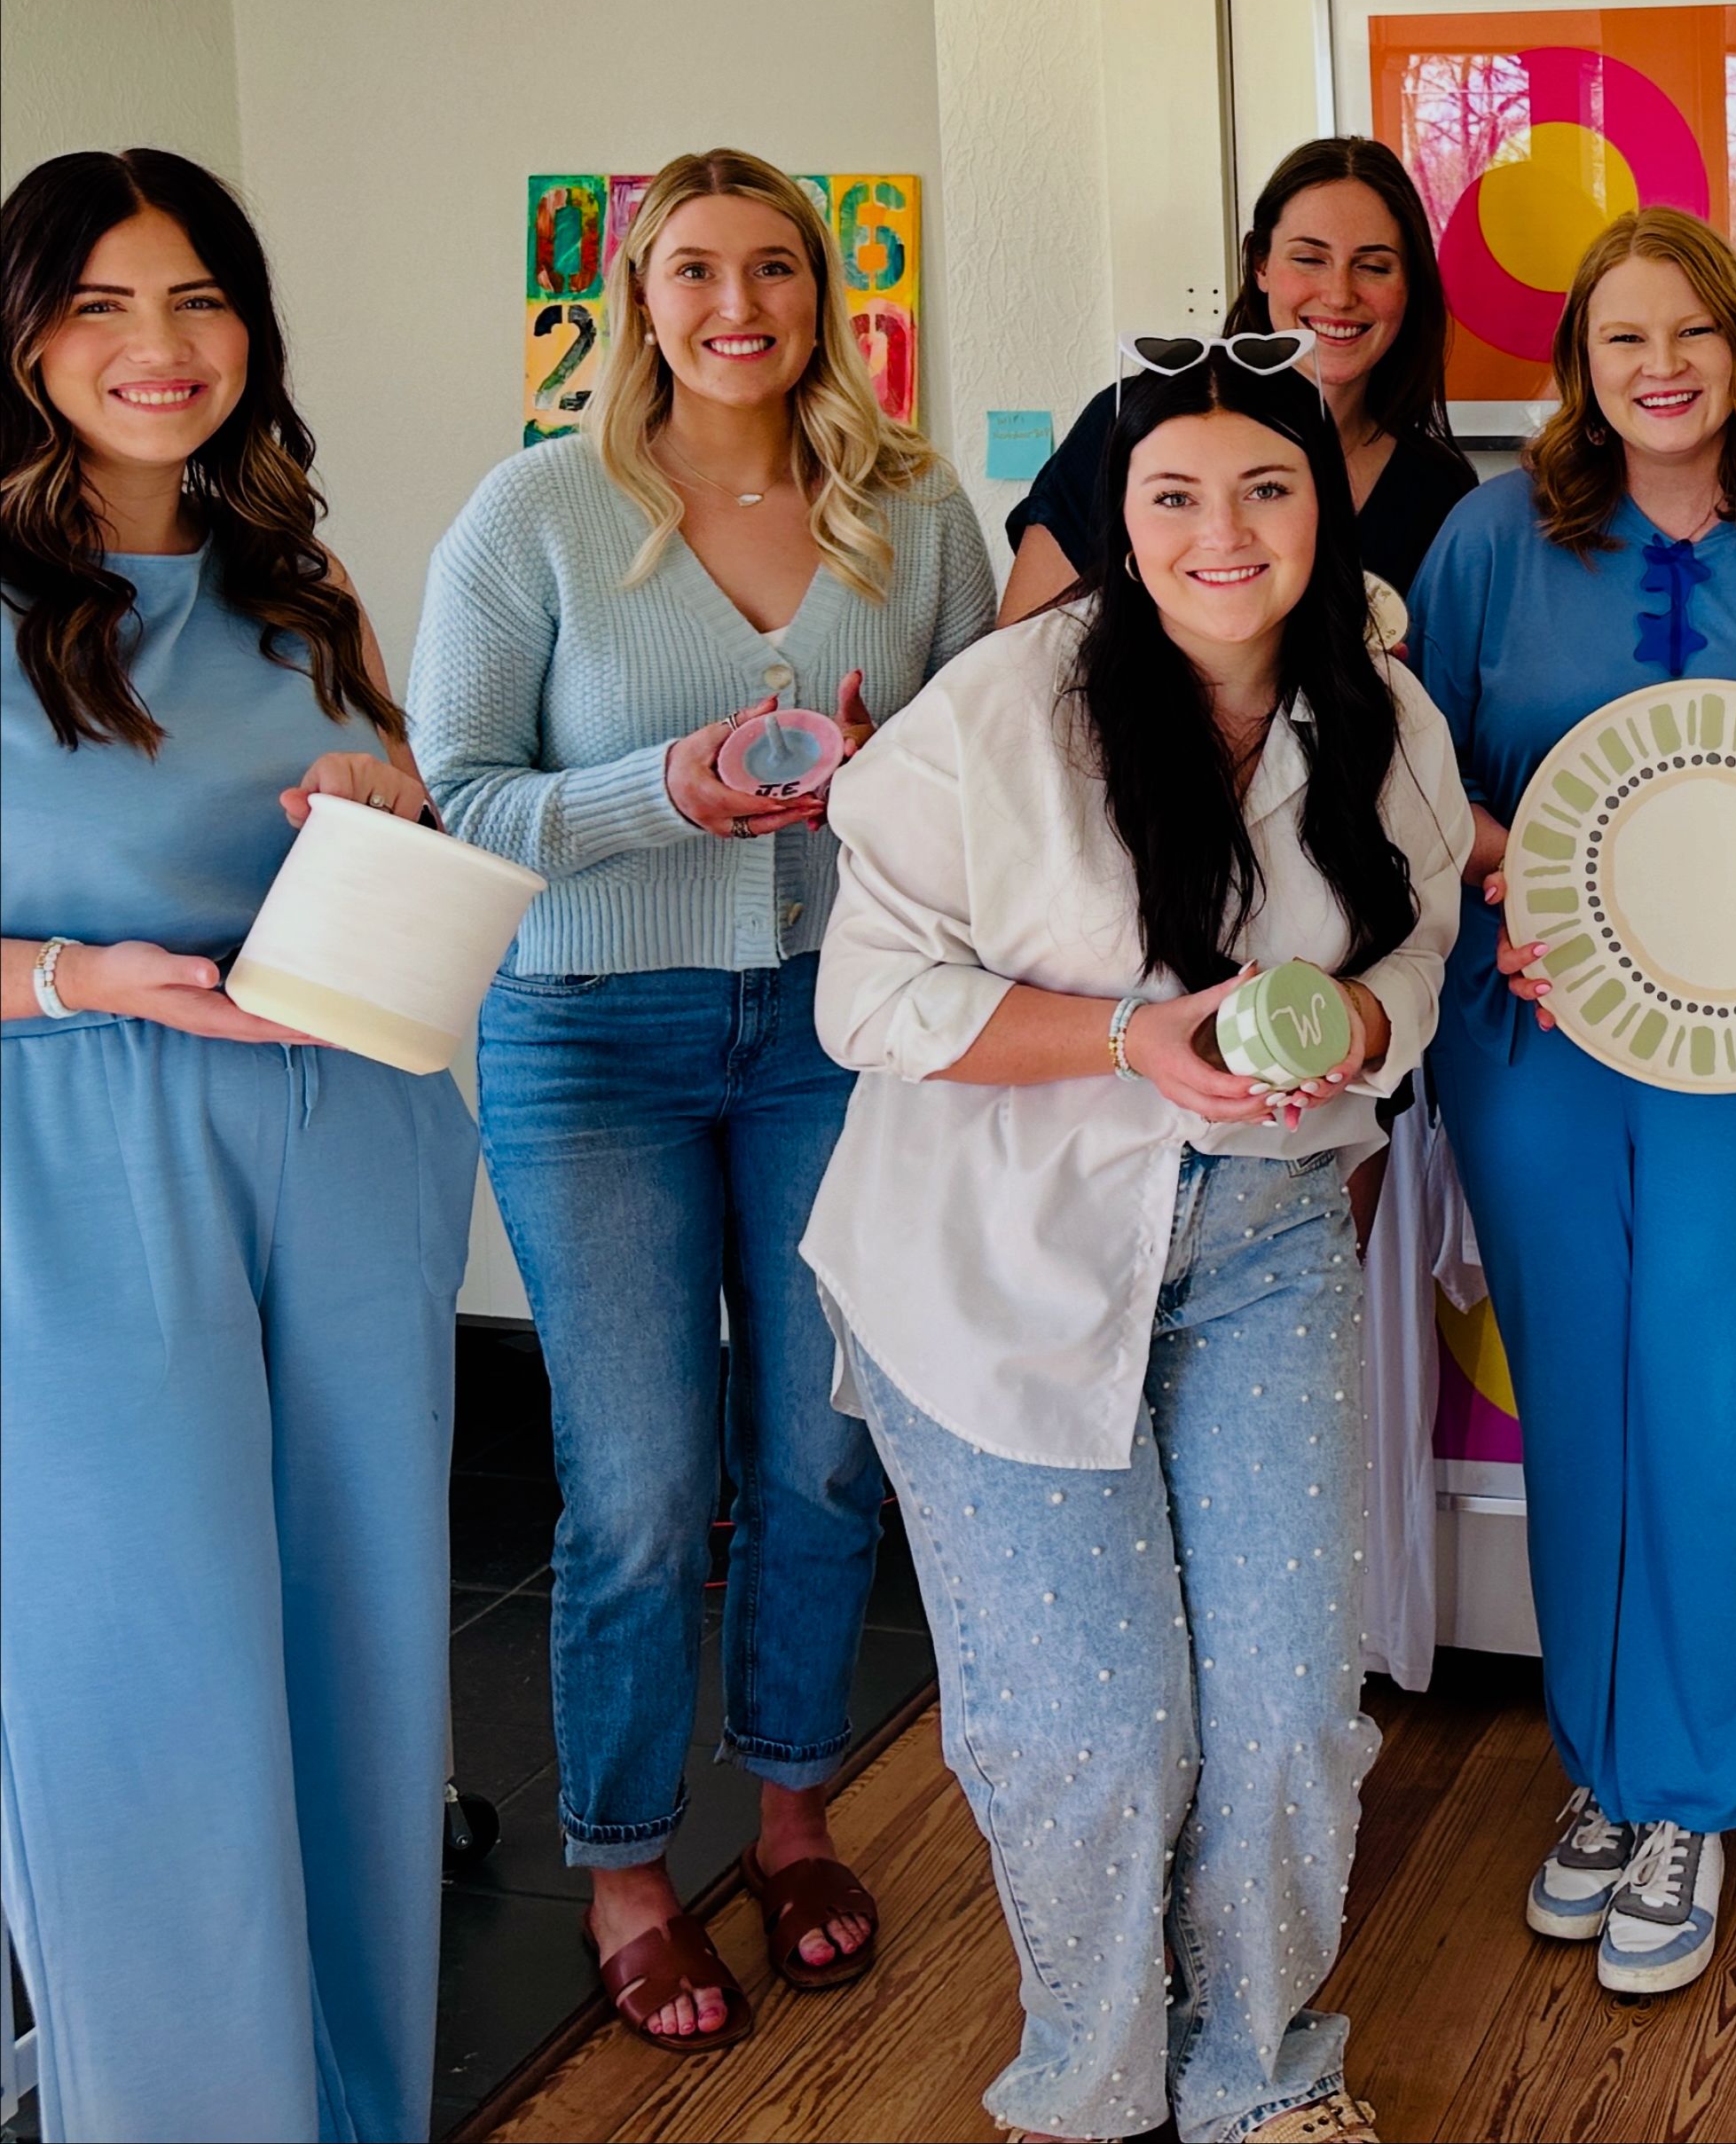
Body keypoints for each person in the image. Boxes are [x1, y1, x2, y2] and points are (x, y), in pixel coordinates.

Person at [806, 348, 1461, 2144]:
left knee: (1282, 1716)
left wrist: (1352, 1032)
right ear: (1116, 520)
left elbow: (1415, 962)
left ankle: (1253, 2076)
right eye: (1171, 495)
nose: (1221, 532)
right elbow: (866, 998)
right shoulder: (1001, 714)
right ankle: (1088, 2095)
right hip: (991, 1251)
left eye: (1265, 488)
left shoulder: (1385, 722)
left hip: (1260, 1247)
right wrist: (1123, 1038)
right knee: (1093, 1734)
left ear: (1322, 509)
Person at [410, 147, 995, 2050]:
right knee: (646, 1488)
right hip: (592, 1038)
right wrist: (669, 790)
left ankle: (799, 1813)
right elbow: (462, 794)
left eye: (774, 271)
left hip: (835, 1033)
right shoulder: (538, 515)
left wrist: (891, 778)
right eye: (692, 272)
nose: (736, 306)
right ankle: (629, 1867)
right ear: (635, 296)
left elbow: (990, 779)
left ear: (824, 298)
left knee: (825, 1452)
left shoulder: (912, 512)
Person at [1, 149, 475, 2141]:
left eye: (196, 299)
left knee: (364, 1645)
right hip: (87, 1158)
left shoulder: (306, 580)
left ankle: (358, 2103)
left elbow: (399, 821)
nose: (160, 347)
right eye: (102, 305)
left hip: (352, 1135)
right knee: (148, 1664)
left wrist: (390, 793)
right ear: (23, 335)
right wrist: (69, 980)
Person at [1413, 206, 1736, 1999]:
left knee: (1723, 1396)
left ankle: (1694, 1793)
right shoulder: (1493, 540)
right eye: (1623, 339)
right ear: (1578, 365)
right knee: (1583, 1400)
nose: (1659, 369)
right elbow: (1414, 765)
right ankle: (1605, 1773)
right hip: (1534, 1039)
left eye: (1691, 334)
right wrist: (1509, 888)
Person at [998, 137, 1475, 620]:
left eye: (1373, 266)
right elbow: (1016, 665)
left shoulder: (1439, 489)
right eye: (1309, 259)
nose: (1339, 294)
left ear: (1410, 285)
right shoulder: (1130, 423)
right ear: (1260, 264)